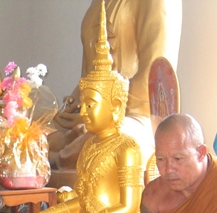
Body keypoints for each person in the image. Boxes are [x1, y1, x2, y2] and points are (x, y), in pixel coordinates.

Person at [21, 6, 143, 213]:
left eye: (90, 105)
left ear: (115, 107)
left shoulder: (127, 148)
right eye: (83, 104)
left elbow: (129, 209)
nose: (83, 112)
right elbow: (81, 199)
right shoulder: (89, 146)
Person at [48, 0, 182, 172]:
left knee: (106, 143)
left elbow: (155, 80)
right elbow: (91, 74)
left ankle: (55, 160)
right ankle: (56, 153)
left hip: (136, 116)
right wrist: (75, 105)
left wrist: (101, 110)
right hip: (94, 109)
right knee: (28, 133)